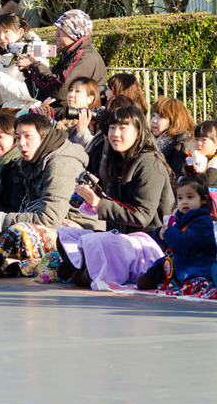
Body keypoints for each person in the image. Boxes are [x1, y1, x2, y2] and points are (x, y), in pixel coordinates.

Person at [58, 104, 175, 287]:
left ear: (138, 131)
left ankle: (88, 269)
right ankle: (87, 267)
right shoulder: (118, 161)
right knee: (66, 233)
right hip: (122, 241)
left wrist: (99, 203)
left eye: (122, 128)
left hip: (149, 244)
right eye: (112, 128)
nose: (115, 134)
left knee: (97, 241)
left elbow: (141, 217)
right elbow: (113, 226)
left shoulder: (150, 163)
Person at [0, 112, 87, 277]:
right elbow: (27, 209)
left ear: (44, 137)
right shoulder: (34, 161)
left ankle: (2, 265)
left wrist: (1, 221)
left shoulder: (61, 165)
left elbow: (49, 219)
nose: (21, 144)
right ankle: (12, 264)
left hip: (76, 231)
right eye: (18, 138)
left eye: (28, 137)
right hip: (52, 225)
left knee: (16, 231)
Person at [18, 9, 107, 118]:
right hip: (61, 112)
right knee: (22, 116)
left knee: (24, 118)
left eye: (61, 30)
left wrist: (35, 65)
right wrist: (28, 72)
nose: (56, 34)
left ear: (73, 32)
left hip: (73, 117)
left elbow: (60, 90)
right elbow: (45, 93)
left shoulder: (84, 57)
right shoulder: (70, 53)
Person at [135, 174, 217, 290]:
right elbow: (169, 243)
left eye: (190, 197)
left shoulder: (203, 222)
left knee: (194, 276)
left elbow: (186, 242)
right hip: (177, 261)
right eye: (180, 198)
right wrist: (161, 234)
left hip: (197, 263)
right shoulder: (179, 219)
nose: (184, 202)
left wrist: (169, 232)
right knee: (154, 271)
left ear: (203, 199)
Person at [150, 96, 196, 177]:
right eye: (154, 115)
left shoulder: (181, 146)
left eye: (161, 116)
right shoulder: (149, 142)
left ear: (174, 120)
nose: (154, 120)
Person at [186, 120, 217, 188]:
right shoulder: (198, 158)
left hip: (212, 196)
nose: (199, 143)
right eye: (196, 139)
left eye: (204, 139)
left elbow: (208, 181)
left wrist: (194, 172)